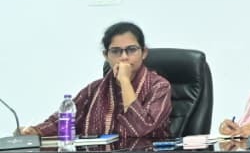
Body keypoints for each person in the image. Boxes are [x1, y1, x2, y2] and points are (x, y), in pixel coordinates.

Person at [22, 21, 172, 140]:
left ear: (144, 52)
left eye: (131, 49)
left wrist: (125, 82)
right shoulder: (94, 89)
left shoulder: (159, 86)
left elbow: (141, 128)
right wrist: (34, 131)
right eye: (116, 51)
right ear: (106, 56)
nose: (124, 57)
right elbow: (62, 123)